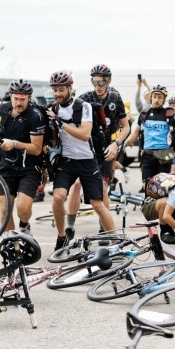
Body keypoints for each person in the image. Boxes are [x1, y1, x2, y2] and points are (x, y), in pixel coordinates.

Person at [45, 70, 116, 250]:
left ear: (69, 88)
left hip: (87, 160)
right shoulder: (54, 109)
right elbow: (55, 139)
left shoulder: (83, 106)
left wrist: (61, 123)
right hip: (67, 162)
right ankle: (62, 237)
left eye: (61, 90)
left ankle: (117, 242)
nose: (58, 94)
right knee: (58, 197)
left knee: (97, 204)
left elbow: (84, 134)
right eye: (55, 90)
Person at [64, 64, 130, 238]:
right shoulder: (85, 98)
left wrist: (116, 144)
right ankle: (69, 227)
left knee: (102, 186)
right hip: (87, 148)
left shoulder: (115, 97)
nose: (98, 86)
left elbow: (126, 127)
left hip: (107, 147)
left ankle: (104, 229)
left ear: (109, 81)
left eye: (101, 82)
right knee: (77, 184)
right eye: (94, 82)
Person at [0, 79, 45, 235]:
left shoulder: (35, 116)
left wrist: (15, 144)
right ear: (11, 96)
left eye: (23, 99)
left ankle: (24, 224)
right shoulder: (4, 107)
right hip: (5, 164)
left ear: (29, 98)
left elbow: (37, 149)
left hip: (28, 166)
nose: (19, 102)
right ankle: (12, 245)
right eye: (16, 98)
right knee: (5, 209)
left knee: (23, 209)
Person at [126, 85, 175, 185]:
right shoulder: (144, 114)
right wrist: (124, 143)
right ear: (151, 97)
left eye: (160, 97)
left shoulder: (170, 114)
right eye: (154, 97)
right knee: (147, 187)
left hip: (164, 155)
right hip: (148, 155)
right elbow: (135, 132)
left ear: (164, 99)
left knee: (161, 187)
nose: (156, 100)